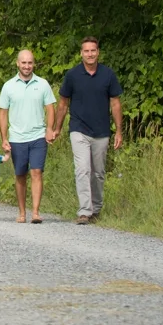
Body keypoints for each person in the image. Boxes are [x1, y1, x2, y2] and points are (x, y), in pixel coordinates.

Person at [52, 37, 125, 224]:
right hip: (79, 129)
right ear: (81, 53)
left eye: (93, 50)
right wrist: (57, 128)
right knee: (82, 169)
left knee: (98, 172)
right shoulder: (72, 75)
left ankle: (96, 208)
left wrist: (119, 131)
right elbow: (63, 104)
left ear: (98, 52)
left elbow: (115, 104)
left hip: (101, 131)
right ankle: (84, 211)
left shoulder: (108, 75)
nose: (90, 54)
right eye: (86, 51)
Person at [0, 49, 56, 224]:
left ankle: (35, 212)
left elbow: (50, 108)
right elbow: (2, 113)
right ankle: (22, 212)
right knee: (20, 174)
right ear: (17, 63)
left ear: (34, 64)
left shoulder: (43, 84)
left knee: (37, 172)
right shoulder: (9, 86)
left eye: (30, 63)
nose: (27, 66)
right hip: (17, 137)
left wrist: (50, 129)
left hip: (38, 136)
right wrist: (4, 138)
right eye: (24, 63)